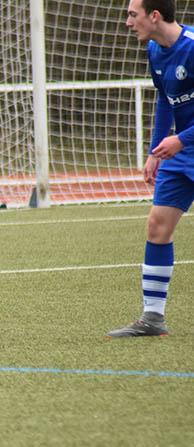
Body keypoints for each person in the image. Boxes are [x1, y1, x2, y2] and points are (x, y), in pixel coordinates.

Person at [108, 0, 193, 337]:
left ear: (154, 16)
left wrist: (180, 140)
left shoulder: (191, 49)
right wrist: (156, 151)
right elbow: (164, 99)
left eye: (133, 14)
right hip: (180, 153)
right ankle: (153, 319)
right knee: (158, 225)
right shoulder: (157, 51)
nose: (128, 22)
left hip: (184, 145)